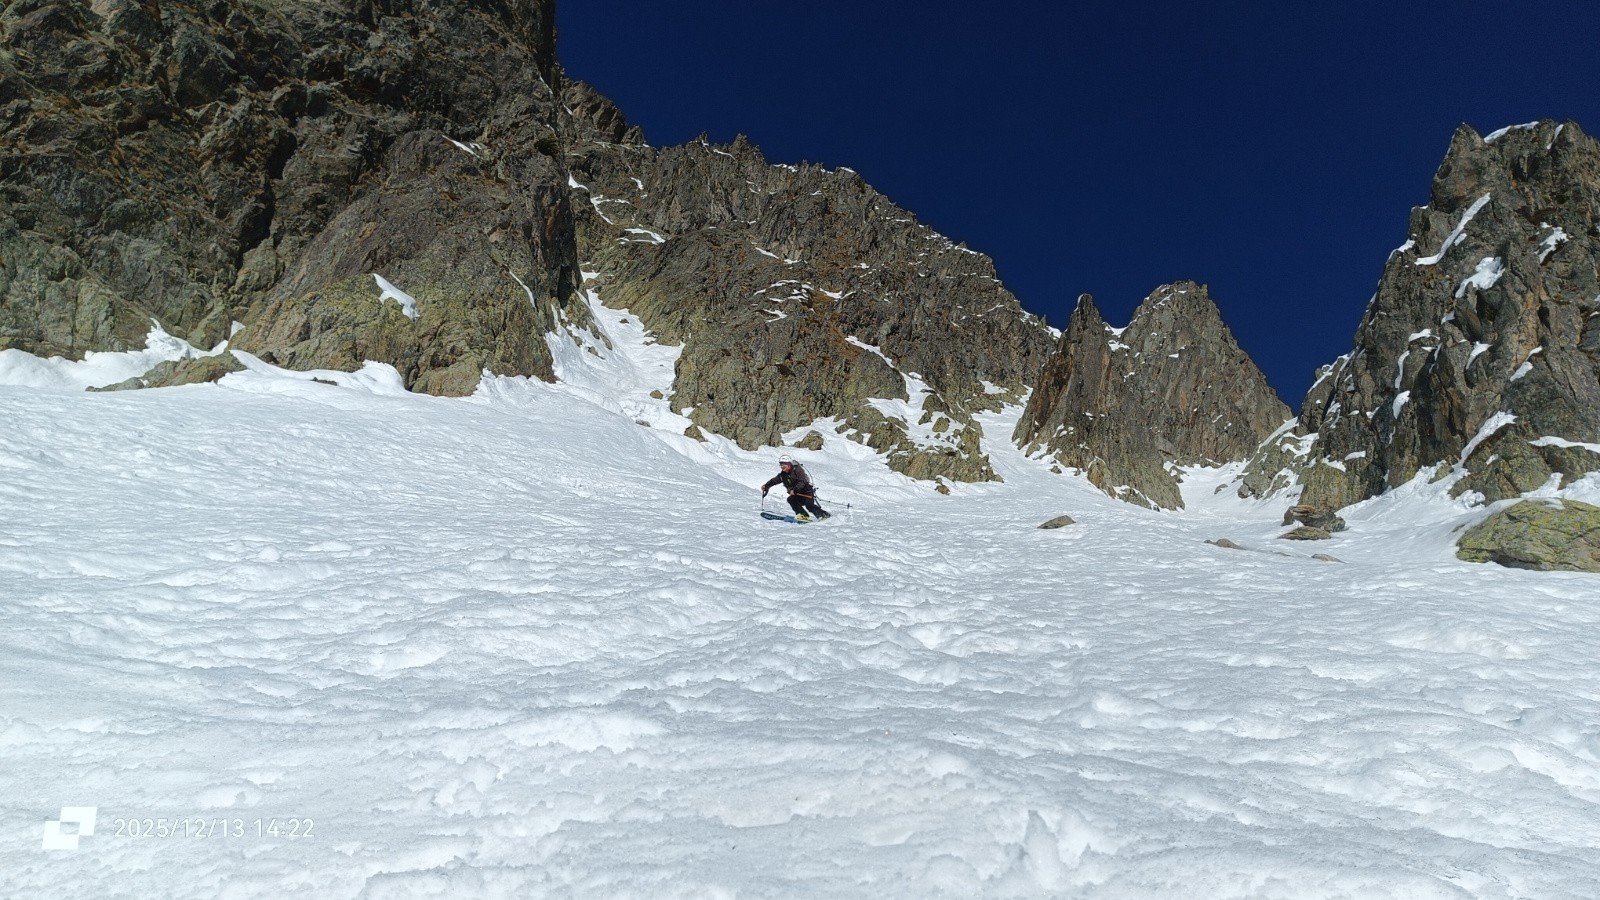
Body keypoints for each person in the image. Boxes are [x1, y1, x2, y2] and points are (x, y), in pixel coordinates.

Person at [761, 455, 831, 521]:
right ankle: (803, 515)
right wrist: (766, 486)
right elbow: (774, 480)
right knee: (791, 499)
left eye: (784, 464)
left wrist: (795, 490)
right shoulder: (783, 474)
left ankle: (824, 516)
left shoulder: (797, 470)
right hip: (797, 494)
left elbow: (802, 481)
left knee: (809, 506)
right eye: (781, 464)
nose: (782, 466)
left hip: (807, 492)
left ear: (789, 464)